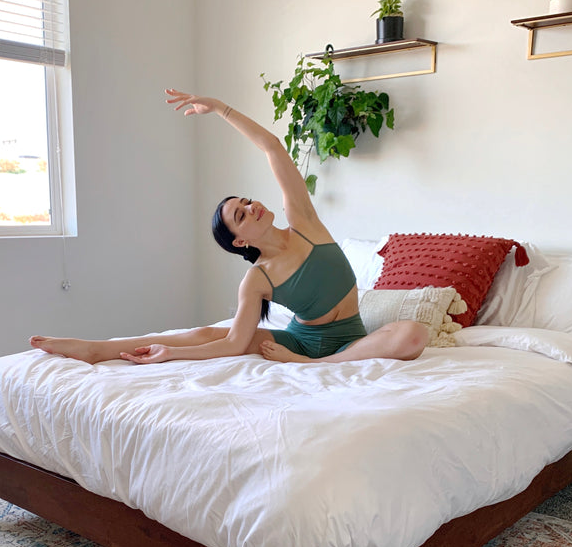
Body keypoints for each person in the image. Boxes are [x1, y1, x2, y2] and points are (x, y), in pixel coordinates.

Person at [29, 89, 428, 365]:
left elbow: (273, 147)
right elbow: (234, 343)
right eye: (241, 214)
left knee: (413, 334)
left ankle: (322, 366)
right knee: (207, 333)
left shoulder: (304, 223)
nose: (252, 208)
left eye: (247, 202)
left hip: (350, 341)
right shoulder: (257, 279)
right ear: (239, 240)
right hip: (301, 341)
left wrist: (220, 108)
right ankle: (99, 349)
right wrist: (172, 354)